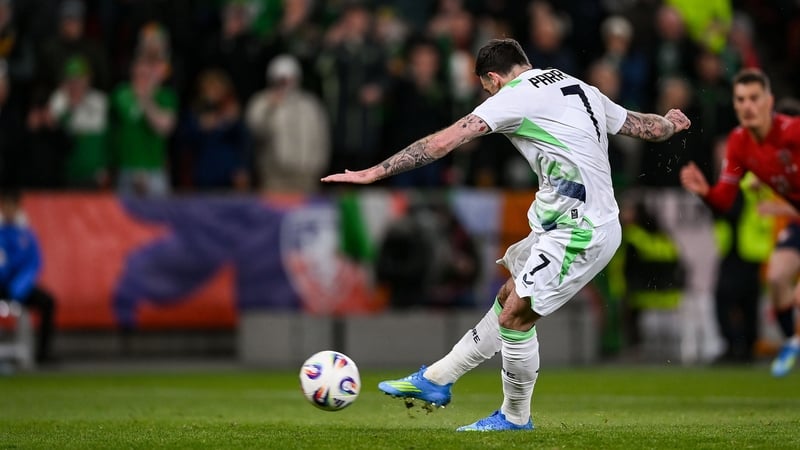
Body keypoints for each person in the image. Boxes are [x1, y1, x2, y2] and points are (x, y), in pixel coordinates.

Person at [322, 38, 691, 431]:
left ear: (493, 78)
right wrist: (670, 123)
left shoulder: (512, 96)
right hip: (563, 223)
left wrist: (374, 172)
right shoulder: (576, 85)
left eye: (486, 87)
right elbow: (642, 126)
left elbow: (445, 141)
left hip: (582, 229)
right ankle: (436, 380)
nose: (487, 95)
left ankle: (515, 418)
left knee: (516, 317)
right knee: (508, 297)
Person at [680, 68, 800, 377]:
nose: (747, 106)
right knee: (776, 279)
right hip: (774, 234)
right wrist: (706, 191)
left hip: (765, 235)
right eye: (740, 99)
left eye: (754, 99)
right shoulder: (739, 143)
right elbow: (723, 198)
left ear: (768, 102)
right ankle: (790, 343)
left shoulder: (792, 134)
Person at [0, 189, 56, 365]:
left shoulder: (27, 234)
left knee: (48, 302)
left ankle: (42, 355)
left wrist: (19, 286)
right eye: (5, 205)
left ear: (17, 207)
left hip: (19, 288)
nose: (8, 209)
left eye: (11, 205)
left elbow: (34, 263)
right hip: (2, 285)